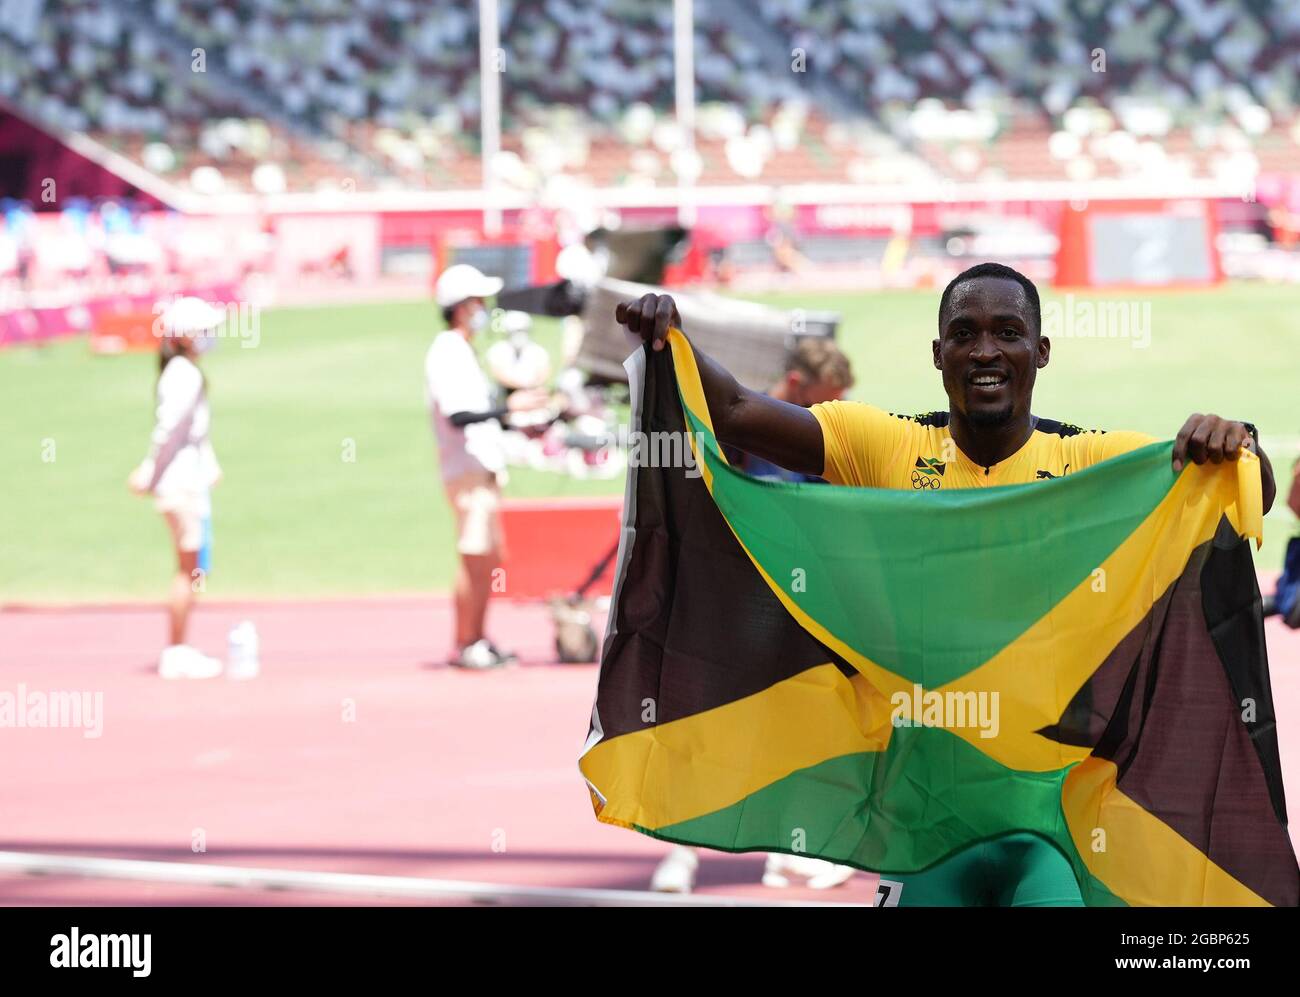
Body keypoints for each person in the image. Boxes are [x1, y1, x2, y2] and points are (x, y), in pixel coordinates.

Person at [617, 261, 1277, 906]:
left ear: (1040, 350)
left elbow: (1243, 486)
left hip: (1049, 825)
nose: (985, 350)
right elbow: (730, 409)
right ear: (939, 353)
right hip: (922, 823)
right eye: (964, 334)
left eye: (1007, 332)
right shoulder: (883, 447)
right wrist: (671, 339)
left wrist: (1239, 440)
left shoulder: (1089, 460)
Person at [652, 337, 860, 894]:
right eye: (824, 401)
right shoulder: (741, 430)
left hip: (799, 604)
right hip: (733, 601)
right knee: (708, 728)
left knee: (805, 726)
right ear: (795, 386)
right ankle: (681, 856)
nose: (829, 416)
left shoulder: (819, 440)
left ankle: (786, 850)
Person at [427, 265, 548, 670]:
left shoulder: (461, 350)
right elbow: (459, 414)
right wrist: (508, 409)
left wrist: (522, 420)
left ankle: (477, 636)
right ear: (461, 307)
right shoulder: (447, 350)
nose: (485, 309)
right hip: (466, 469)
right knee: (474, 558)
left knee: (486, 559)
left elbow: (480, 413)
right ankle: (466, 642)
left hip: (481, 468)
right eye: (479, 301)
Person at [128, 296, 226, 679]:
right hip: (181, 487)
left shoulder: (184, 371)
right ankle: (177, 649)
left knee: (192, 568)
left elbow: (192, 434)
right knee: (188, 570)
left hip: (187, 481)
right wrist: (150, 473)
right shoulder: (184, 374)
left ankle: (180, 646)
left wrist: (210, 465)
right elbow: (168, 432)